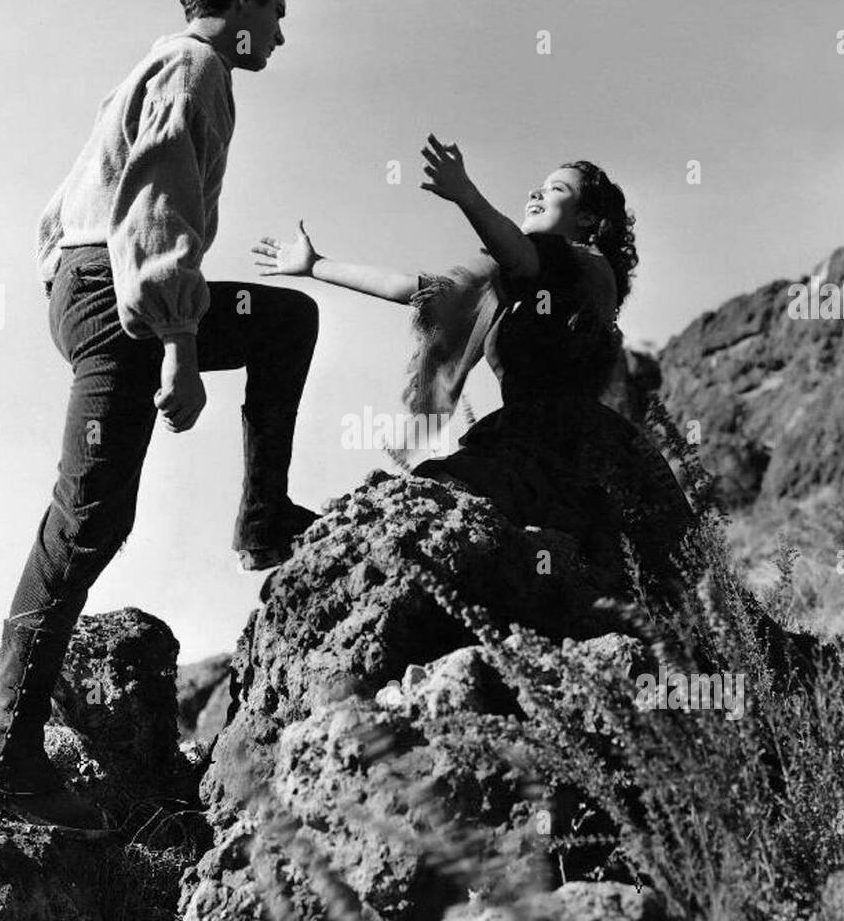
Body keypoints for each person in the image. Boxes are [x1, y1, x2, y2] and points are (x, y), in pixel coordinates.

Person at [0, 0, 318, 835]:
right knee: (87, 518)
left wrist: (84, 299)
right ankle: (3, 758)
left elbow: (73, 215)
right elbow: (156, 219)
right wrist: (182, 358)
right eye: (275, 9)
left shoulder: (158, 67)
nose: (279, 33)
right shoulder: (198, 68)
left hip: (89, 285)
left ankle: (264, 516)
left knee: (285, 321)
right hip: (120, 295)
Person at [252, 135, 693, 594]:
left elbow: (523, 255)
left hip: (572, 450)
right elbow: (419, 290)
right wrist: (316, 265)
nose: (536, 193)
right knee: (423, 509)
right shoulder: (510, 286)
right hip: (520, 442)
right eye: (538, 187)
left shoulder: (588, 267)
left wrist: (466, 195)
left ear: (586, 218)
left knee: (429, 506)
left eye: (556, 189)